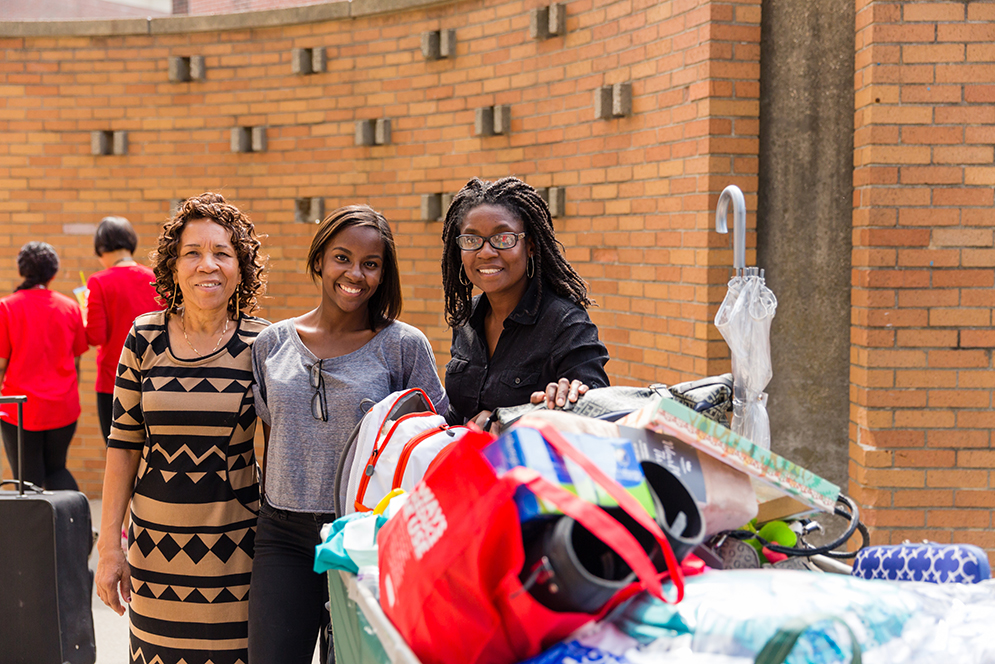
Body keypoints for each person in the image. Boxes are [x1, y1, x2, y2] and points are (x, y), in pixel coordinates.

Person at [249, 205, 447, 664]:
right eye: (342, 257)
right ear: (319, 259)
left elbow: (432, 442)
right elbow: (273, 437)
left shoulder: (404, 345)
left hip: (365, 537)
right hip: (282, 535)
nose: (355, 273)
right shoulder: (272, 343)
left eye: (370, 264)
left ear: (383, 274)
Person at [94, 193, 268, 664]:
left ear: (241, 267)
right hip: (154, 553)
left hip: (237, 554)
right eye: (192, 252)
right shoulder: (143, 337)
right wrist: (110, 545)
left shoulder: (264, 343)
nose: (206, 265)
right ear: (173, 267)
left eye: (222, 253)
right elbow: (123, 445)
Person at [441, 176, 610, 427]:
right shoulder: (467, 319)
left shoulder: (565, 323)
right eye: (471, 240)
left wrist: (502, 419)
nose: (486, 252)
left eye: (503, 238)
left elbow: (596, 409)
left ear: (530, 246)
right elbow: (461, 411)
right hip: (471, 463)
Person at [0, 242, 88, 489]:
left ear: (21, 271)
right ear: (53, 273)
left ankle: (36, 529)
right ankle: (75, 526)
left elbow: (0, 364)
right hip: (63, 408)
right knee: (57, 470)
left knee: (28, 482)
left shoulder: (6, 307)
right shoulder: (70, 307)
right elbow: (78, 359)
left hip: (19, 411)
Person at [85, 216, 161, 445]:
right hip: (154, 379)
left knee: (118, 453)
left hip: (113, 382)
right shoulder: (155, 278)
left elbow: (95, 336)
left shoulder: (98, 282)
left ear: (101, 248)